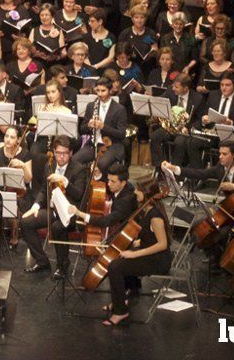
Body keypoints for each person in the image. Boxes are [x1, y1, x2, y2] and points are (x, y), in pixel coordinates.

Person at [98, 178, 172, 326]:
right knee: (120, 260)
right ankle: (121, 299)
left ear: (147, 194)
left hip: (158, 260)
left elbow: (163, 244)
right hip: (150, 254)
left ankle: (120, 311)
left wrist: (134, 253)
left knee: (115, 267)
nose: (135, 192)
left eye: (139, 190)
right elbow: (150, 236)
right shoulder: (146, 209)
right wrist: (138, 243)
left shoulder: (155, 216)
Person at [20, 136, 87, 277]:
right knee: (26, 222)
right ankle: (42, 261)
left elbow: (79, 195)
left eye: (65, 154)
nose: (61, 157)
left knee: (57, 227)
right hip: (53, 209)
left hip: (69, 211)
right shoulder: (49, 165)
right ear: (54, 152)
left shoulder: (79, 169)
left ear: (71, 153)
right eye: (58, 153)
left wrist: (65, 182)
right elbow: (44, 190)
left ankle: (62, 265)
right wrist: (36, 205)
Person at [186, 72, 234, 167]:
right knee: (191, 142)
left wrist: (231, 123)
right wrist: (204, 121)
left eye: (228, 85)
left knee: (225, 148)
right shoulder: (213, 96)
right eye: (222, 85)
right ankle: (198, 174)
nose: (224, 88)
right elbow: (205, 115)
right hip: (213, 134)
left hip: (229, 137)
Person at [149, 73, 204, 166]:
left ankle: (175, 170)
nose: (173, 88)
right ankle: (160, 166)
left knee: (179, 142)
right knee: (154, 137)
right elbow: (159, 102)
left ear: (186, 88)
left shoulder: (198, 99)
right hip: (170, 127)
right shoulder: (170, 91)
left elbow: (200, 120)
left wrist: (189, 128)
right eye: (173, 86)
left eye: (177, 87)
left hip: (184, 130)